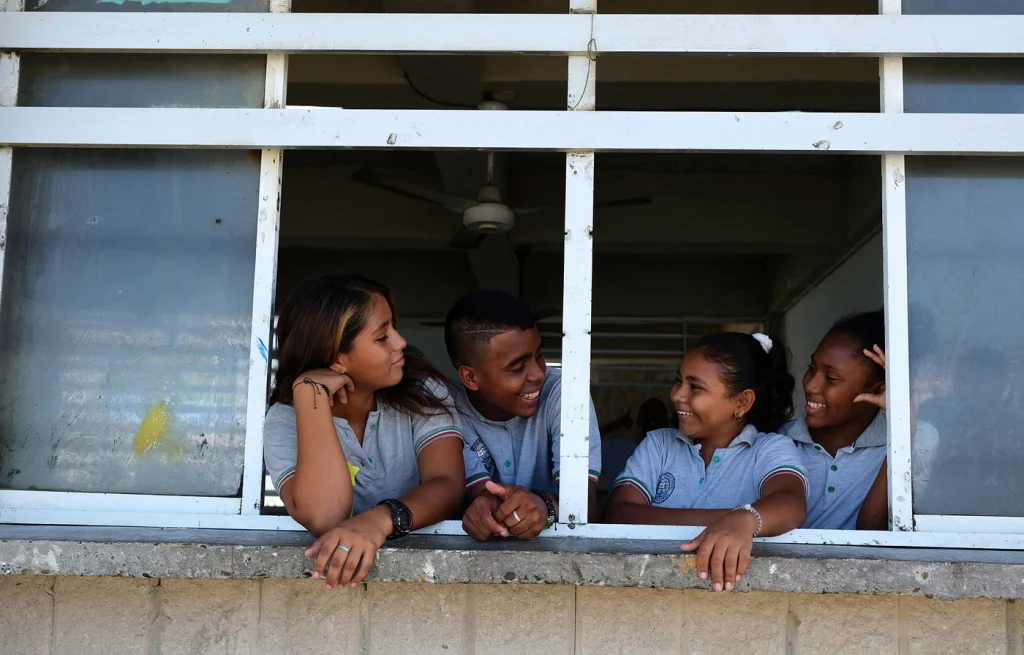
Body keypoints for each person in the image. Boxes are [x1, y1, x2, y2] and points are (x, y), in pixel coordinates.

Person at [263, 275, 467, 589]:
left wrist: (380, 520)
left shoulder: (422, 390)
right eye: (382, 336)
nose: (401, 342)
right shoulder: (285, 420)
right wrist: (311, 396)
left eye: (393, 328)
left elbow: (448, 484)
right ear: (336, 359)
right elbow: (325, 516)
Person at [605, 332, 807, 592]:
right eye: (678, 381)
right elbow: (618, 514)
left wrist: (744, 521)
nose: (677, 395)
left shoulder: (769, 449)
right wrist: (735, 519)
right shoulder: (659, 444)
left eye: (695, 387)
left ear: (742, 401)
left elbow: (792, 504)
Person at [444, 290, 602, 541]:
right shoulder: (444, 407)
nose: (538, 373)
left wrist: (544, 506)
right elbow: (478, 497)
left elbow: (587, 508)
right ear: (471, 377)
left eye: (538, 354)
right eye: (518, 367)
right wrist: (484, 508)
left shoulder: (565, 393)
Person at [782, 310, 892, 530]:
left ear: (879, 390)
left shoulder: (911, 443)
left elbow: (872, 530)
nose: (811, 385)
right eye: (811, 368)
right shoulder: (779, 439)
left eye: (831, 378)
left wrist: (904, 431)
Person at [600, 398, 671, 490]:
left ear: (638, 422)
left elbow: (584, 444)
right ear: (667, 425)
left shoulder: (616, 447)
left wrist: (615, 425)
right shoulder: (618, 447)